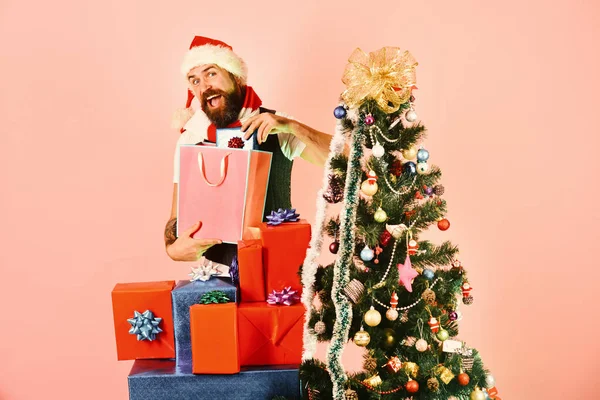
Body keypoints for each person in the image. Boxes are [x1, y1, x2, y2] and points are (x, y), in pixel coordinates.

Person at [164, 36, 332, 263]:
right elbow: (176, 217)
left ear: (235, 76)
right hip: (217, 274)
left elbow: (342, 157)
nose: (204, 87)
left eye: (211, 73)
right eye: (194, 81)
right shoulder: (190, 139)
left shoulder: (274, 124)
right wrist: (172, 248)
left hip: (277, 268)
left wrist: (293, 127)